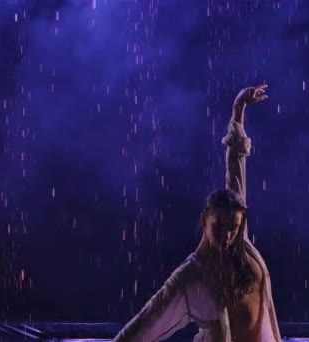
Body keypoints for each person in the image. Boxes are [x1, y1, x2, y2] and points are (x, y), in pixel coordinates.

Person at [114, 84, 280, 342]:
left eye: (233, 228)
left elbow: (235, 166)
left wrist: (238, 110)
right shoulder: (195, 272)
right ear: (205, 221)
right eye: (219, 227)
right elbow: (146, 321)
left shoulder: (242, 246)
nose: (226, 235)